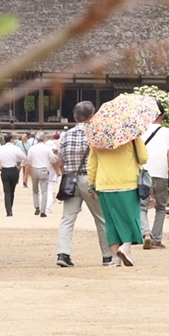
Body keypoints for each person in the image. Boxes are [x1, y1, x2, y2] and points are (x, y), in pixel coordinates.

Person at [56, 101, 115, 268]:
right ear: (93, 116)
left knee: (67, 218)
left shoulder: (65, 135)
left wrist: (64, 174)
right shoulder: (95, 134)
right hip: (90, 179)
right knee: (101, 218)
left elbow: (60, 159)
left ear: (74, 117)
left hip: (70, 179)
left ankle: (63, 253)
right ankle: (107, 255)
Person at [87, 128, 149, 267]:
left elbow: (92, 164)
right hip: (127, 182)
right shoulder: (131, 135)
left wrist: (91, 184)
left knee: (111, 221)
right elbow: (143, 157)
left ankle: (116, 258)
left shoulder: (96, 137)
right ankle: (125, 246)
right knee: (130, 217)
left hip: (104, 183)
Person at [139, 105, 169, 249]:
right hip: (161, 173)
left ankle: (146, 234)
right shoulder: (168, 132)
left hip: (143, 173)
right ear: (162, 115)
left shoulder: (141, 131)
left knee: (142, 207)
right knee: (161, 208)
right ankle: (156, 239)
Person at [0, 133, 27, 216]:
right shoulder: (16, 148)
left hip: (4, 169)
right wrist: (20, 165)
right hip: (13, 169)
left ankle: (8, 210)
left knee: (6, 191)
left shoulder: (0, 149)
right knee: (12, 190)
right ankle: (10, 207)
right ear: (11, 140)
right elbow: (24, 157)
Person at [26, 133, 58, 217]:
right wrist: (56, 170)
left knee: (35, 190)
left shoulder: (31, 148)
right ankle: (43, 211)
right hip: (43, 169)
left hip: (34, 169)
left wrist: (28, 172)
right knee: (44, 191)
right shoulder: (47, 149)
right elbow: (53, 160)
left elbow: (28, 161)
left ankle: (36, 207)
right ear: (44, 139)